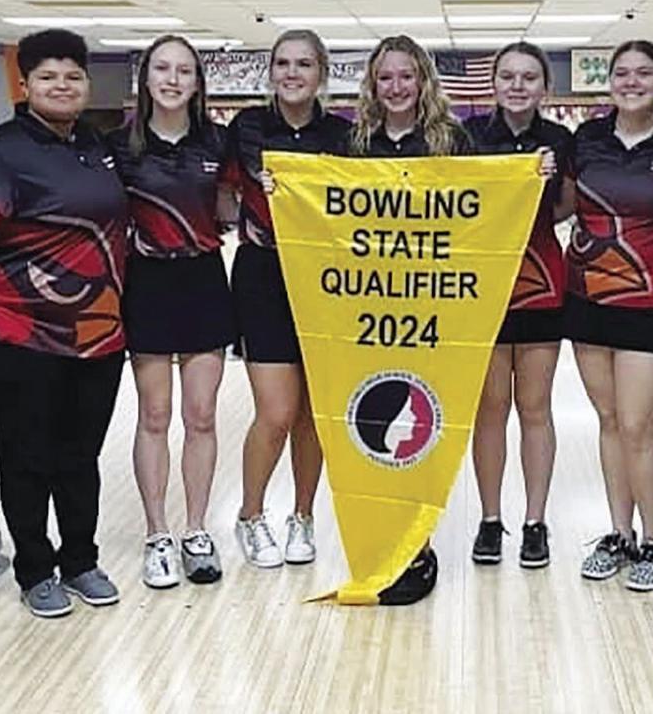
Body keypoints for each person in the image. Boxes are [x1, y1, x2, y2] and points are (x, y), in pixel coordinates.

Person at [0, 29, 127, 618]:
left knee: (80, 454)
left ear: (86, 84)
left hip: (96, 331)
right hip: (16, 329)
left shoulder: (96, 144)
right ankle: (36, 569)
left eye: (72, 76)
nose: (62, 86)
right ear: (25, 84)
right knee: (25, 453)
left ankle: (82, 561)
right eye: (48, 76)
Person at [345, 33, 473, 604]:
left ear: (424, 80)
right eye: (385, 78)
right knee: (373, 429)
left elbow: (478, 216)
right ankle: (387, 541)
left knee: (424, 428)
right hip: (372, 308)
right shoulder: (358, 143)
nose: (396, 87)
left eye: (407, 76)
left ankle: (420, 543)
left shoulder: (452, 140)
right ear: (373, 85)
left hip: (434, 308)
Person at [110, 35, 235, 588]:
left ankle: (197, 529)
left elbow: (234, 205)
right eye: (162, 68)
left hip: (204, 279)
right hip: (149, 284)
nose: (173, 78)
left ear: (198, 82)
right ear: (146, 78)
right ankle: (157, 533)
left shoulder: (220, 142)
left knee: (201, 416)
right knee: (155, 415)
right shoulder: (118, 147)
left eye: (184, 70)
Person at [567, 40, 653, 593]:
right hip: (587, 299)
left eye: (644, 73)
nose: (632, 82)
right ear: (608, 82)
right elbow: (561, 205)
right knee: (611, 421)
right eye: (621, 73)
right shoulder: (586, 139)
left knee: (640, 427)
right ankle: (619, 534)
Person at [227, 29, 349, 569]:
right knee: (276, 412)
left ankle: (303, 515)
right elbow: (225, 196)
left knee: (315, 415)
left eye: (303, 63)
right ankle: (250, 517)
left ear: (321, 73)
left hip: (327, 283)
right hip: (264, 277)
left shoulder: (344, 135)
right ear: (270, 72)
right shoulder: (247, 128)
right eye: (282, 63)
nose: (292, 72)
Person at [463, 42, 574, 569]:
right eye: (508, 76)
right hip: (481, 287)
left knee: (534, 407)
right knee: (489, 410)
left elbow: (566, 205)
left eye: (529, 77)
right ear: (494, 83)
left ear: (544, 87)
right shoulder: (467, 139)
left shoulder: (559, 141)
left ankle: (535, 521)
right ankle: (490, 520)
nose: (517, 85)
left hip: (541, 282)